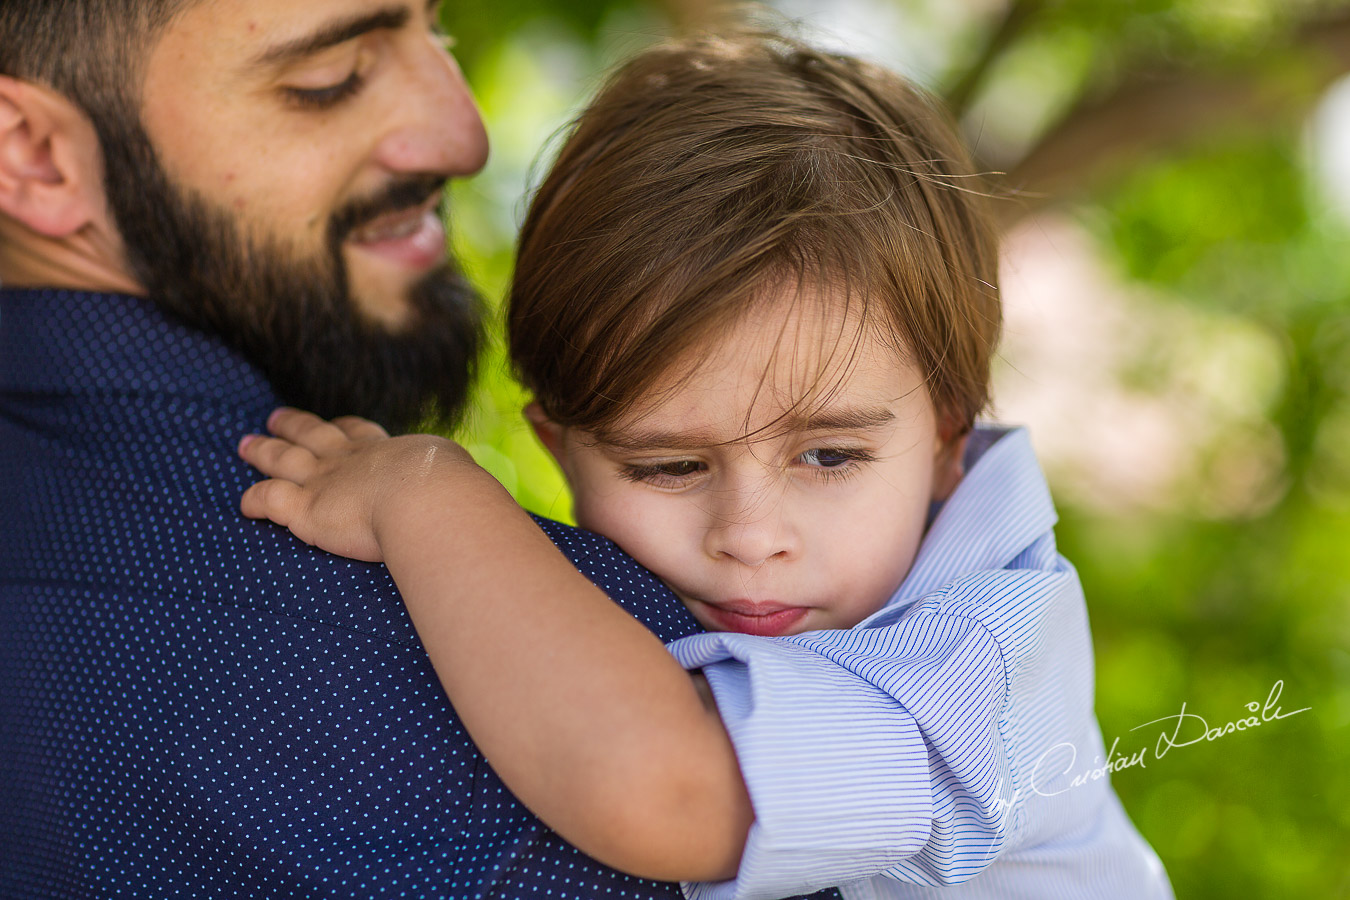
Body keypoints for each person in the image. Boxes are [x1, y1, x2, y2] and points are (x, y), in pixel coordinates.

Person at [238, 31, 1175, 900]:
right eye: (670, 467)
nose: (749, 537)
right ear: (560, 449)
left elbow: (667, 796)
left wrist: (430, 496)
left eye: (830, 454)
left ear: (944, 440)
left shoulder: (982, 658)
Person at [0, 3, 840, 898]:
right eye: (330, 80)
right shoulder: (591, 692)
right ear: (34, 155)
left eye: (434, 28)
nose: (463, 135)